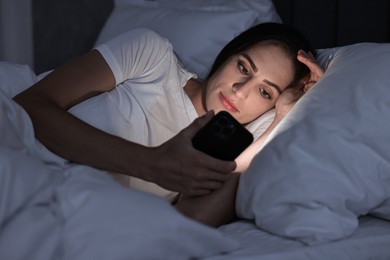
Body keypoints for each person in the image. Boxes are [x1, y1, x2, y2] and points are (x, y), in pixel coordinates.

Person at [13, 22, 324, 227]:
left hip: (66, 220)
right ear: (227, 55)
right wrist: (150, 163)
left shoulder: (236, 148)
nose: (240, 90)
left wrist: (285, 117)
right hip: (17, 164)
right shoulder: (151, 56)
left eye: (264, 91)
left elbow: (187, 224)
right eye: (242, 66)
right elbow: (30, 106)